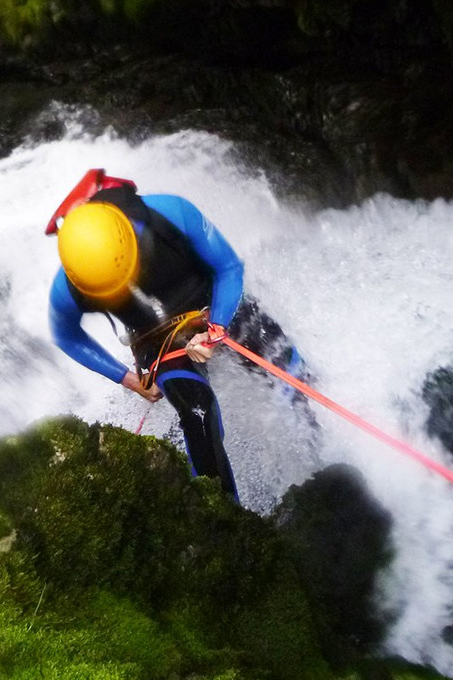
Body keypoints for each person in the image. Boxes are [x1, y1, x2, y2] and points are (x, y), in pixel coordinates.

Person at [46, 169, 313, 501]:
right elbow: (66, 337)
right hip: (156, 339)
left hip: (212, 302)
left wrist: (215, 329)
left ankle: (323, 446)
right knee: (198, 411)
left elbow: (228, 269)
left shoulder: (170, 213)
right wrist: (127, 379)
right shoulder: (69, 285)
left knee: (292, 375)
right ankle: (223, 516)